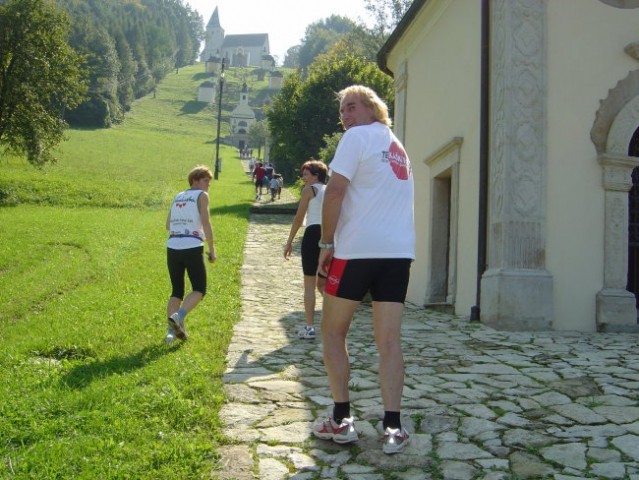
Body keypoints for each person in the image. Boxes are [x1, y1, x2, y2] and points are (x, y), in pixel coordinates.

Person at [312, 85, 415, 455]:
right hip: (398, 255)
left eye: (351, 106)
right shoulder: (396, 147)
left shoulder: (357, 137)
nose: (345, 115)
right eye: (342, 110)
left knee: (332, 331)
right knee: (389, 341)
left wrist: (326, 243)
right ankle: (393, 428)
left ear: (373, 108)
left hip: (356, 252)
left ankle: (341, 419)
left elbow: (335, 192)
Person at [165, 165, 216, 343]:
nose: (208, 185)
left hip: (172, 246)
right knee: (200, 289)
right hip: (192, 246)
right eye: (205, 181)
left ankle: (171, 333)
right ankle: (178, 317)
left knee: (176, 291)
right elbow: (206, 223)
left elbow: (168, 225)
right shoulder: (202, 196)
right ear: (194, 180)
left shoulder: (178, 196)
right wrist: (212, 249)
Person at [283, 160, 328, 339]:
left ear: (316, 175)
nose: (303, 178)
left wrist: (289, 241)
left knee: (309, 283)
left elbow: (299, 218)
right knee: (324, 283)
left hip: (312, 233)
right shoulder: (331, 190)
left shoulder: (310, 190)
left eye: (306, 174)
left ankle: (310, 327)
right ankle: (336, 319)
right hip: (329, 235)